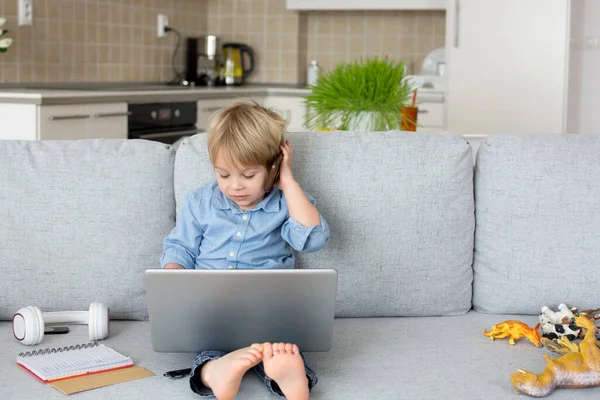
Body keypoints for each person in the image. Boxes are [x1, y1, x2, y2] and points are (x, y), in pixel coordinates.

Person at [160, 99, 330, 400]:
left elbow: (313, 238)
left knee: (281, 350)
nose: (235, 186)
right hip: (211, 315)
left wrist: (287, 180)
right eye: (223, 174)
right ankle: (217, 370)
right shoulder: (201, 202)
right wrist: (174, 286)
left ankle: (288, 374)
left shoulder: (284, 205)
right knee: (208, 352)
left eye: (248, 175)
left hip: (271, 315)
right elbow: (180, 248)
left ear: (273, 166)